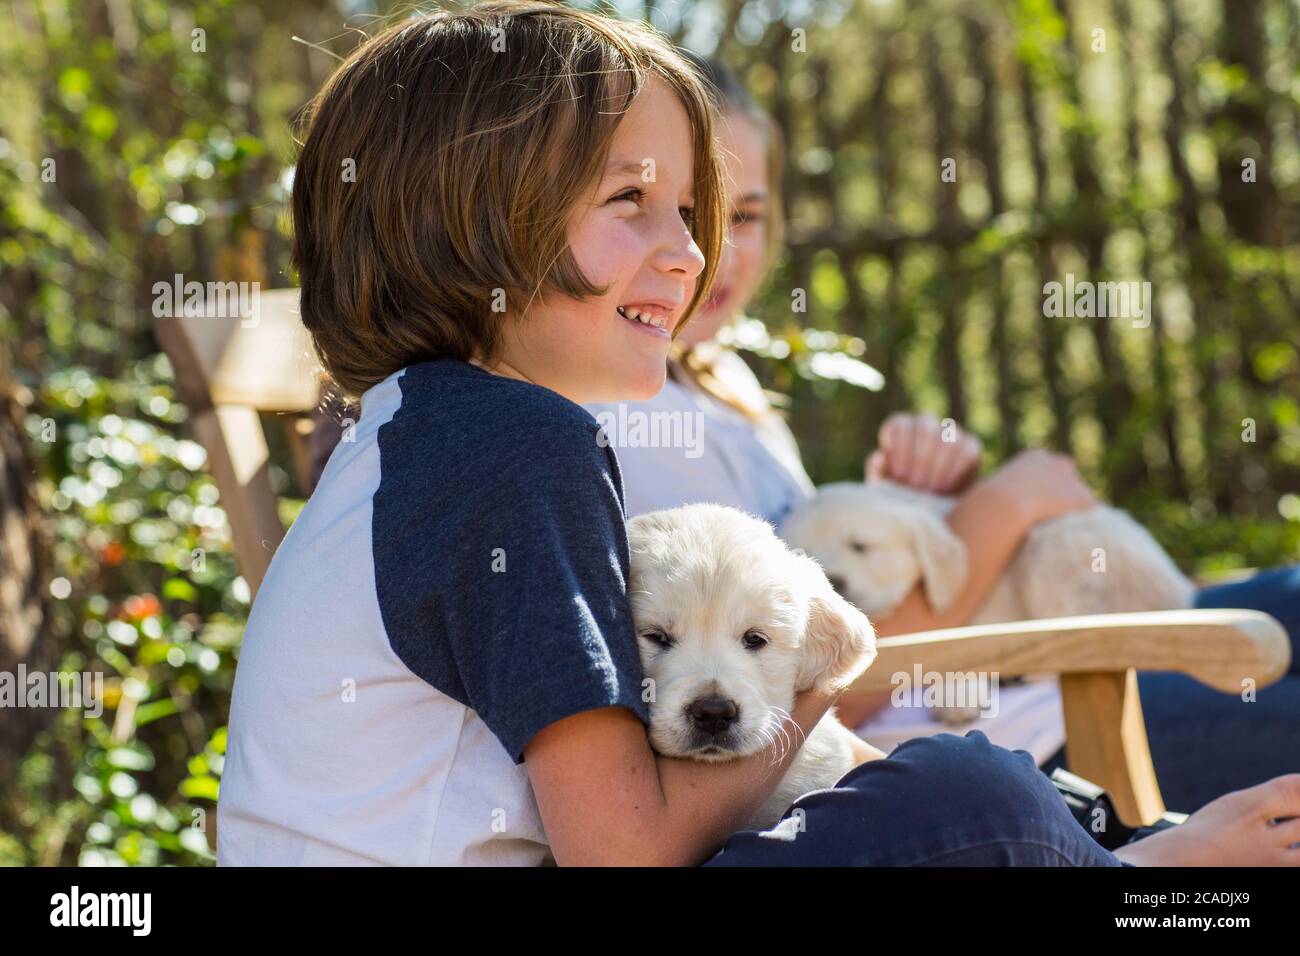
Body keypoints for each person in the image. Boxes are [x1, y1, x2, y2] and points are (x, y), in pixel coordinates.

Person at [221, 2, 1300, 866]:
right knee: (965, 792)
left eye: (695, 211)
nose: (688, 254)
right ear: (468, 225)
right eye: (632, 201)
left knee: (968, 783)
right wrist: (818, 662)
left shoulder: (423, 431)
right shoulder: (507, 446)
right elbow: (628, 849)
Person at [583, 52, 1300, 815]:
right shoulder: (626, 414)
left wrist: (912, 514)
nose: (711, 249)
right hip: (1007, 732)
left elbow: (820, 596)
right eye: (685, 214)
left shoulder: (727, 389)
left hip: (1031, 674)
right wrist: (998, 512)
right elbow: (820, 687)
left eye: (745, 215)